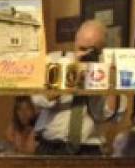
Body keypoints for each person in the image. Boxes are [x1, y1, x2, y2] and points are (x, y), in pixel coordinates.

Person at [32, 19, 116, 155]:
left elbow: (110, 114)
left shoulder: (104, 69)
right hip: (52, 146)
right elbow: (39, 99)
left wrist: (112, 81)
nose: (87, 54)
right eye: (82, 48)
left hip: (88, 148)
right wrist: (71, 71)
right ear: (75, 42)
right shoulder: (53, 61)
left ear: (102, 49)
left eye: (93, 50)